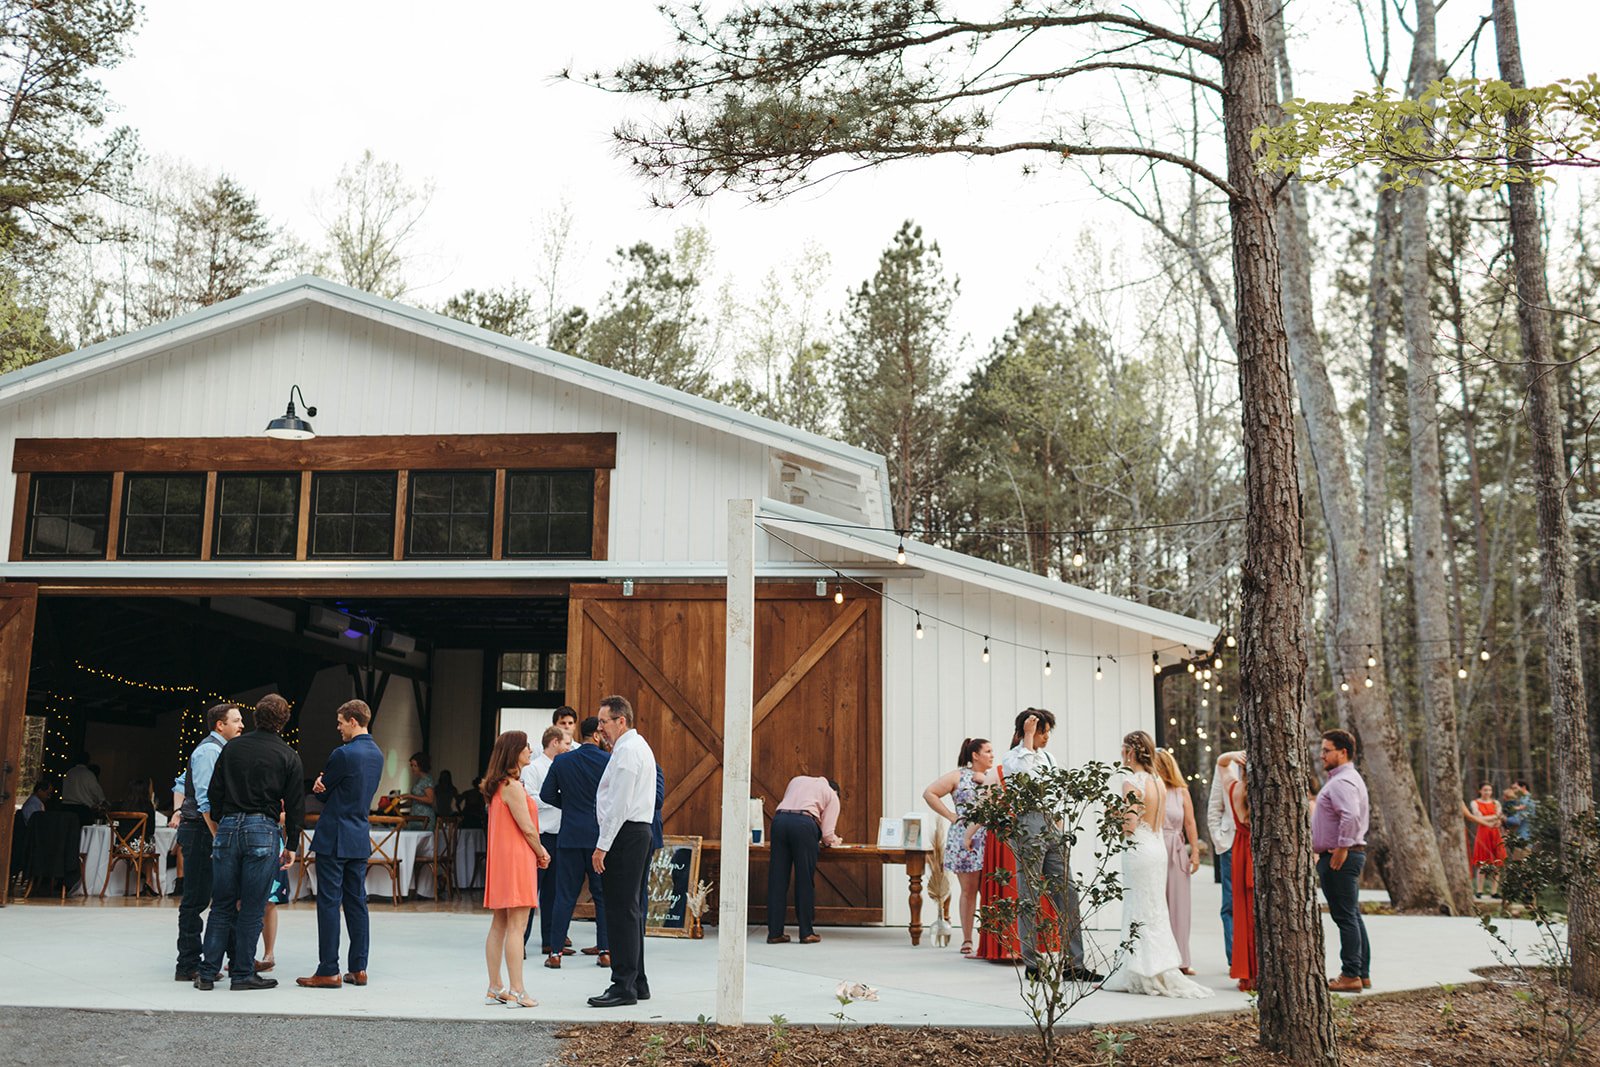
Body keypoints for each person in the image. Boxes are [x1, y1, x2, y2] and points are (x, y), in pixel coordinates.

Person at [193, 695, 304, 992]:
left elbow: (214, 792)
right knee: (253, 906)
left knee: (221, 905)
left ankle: (207, 973)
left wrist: (225, 817)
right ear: (283, 721)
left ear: (256, 717)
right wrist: (292, 844)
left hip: (229, 826)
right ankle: (242, 973)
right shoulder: (288, 755)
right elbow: (295, 805)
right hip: (263, 828)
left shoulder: (231, 748)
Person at [1100, 732, 1211, 998]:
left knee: (1138, 908)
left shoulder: (1132, 781)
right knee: (1155, 910)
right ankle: (1157, 967)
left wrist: (1113, 815)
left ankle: (1139, 969)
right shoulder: (1158, 781)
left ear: (1130, 751)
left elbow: (1130, 826)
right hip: (1157, 848)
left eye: (1123, 749)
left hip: (1139, 850)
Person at [999, 708, 1100, 982]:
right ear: (1027, 730)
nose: (1046, 737)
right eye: (1041, 732)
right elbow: (1025, 776)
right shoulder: (1012, 757)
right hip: (1028, 821)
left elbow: (1054, 790)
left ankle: (1074, 964)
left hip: (1051, 824)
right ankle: (1033, 964)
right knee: (1029, 895)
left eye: (1046, 732)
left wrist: (1058, 822)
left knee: (1068, 893)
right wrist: (1027, 738)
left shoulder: (1049, 757)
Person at [297, 699, 384, 989]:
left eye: (341, 722)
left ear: (353, 721)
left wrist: (319, 784)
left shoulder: (343, 754)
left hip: (334, 835)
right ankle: (359, 968)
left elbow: (323, 794)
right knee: (357, 902)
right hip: (358, 834)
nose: (338, 728)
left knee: (329, 903)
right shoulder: (377, 754)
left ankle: (328, 969)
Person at [588, 695, 658, 1008]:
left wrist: (602, 845)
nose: (600, 728)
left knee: (620, 911)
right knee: (630, 909)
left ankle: (623, 985)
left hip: (625, 834)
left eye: (604, 722)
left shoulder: (629, 751)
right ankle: (637, 981)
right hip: (634, 833)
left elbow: (619, 803)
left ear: (621, 721)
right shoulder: (634, 747)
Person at [171, 703, 246, 983]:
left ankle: (227, 960)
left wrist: (178, 809)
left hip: (203, 830)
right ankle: (187, 964)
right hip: (202, 831)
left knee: (221, 897)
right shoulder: (209, 751)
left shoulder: (216, 750)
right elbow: (204, 800)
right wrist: (218, 836)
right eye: (236, 720)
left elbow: (180, 782)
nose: (242, 725)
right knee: (196, 899)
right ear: (219, 725)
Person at [483, 730, 552, 1008]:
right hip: (517, 860)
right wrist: (541, 852)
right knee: (517, 925)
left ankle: (495, 986)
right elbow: (528, 829)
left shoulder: (498, 786)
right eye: (526, 746)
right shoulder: (512, 787)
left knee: (500, 923)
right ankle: (518, 990)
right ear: (514, 752)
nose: (530, 750)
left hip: (502, 860)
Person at [540, 715, 612, 968]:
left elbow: (546, 794)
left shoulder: (562, 761)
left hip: (569, 836)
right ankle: (605, 951)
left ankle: (555, 953)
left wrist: (569, 806)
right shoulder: (608, 761)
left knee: (564, 896)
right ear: (597, 735)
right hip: (598, 838)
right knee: (602, 895)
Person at [922, 738, 996, 956]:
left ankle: (989, 941)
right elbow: (929, 793)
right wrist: (951, 815)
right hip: (965, 837)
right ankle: (967, 939)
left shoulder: (992, 776)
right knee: (969, 890)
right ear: (975, 755)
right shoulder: (958, 776)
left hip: (990, 836)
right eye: (988, 751)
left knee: (990, 891)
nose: (992, 755)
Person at [1314, 729, 1371, 993]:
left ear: (1343, 752)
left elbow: (1350, 815)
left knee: (1345, 916)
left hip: (1341, 857)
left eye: (1327, 751)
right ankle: (1361, 973)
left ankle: (1350, 975)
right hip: (1343, 854)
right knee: (1351, 915)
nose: (1322, 755)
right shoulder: (1344, 778)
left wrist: (1341, 847)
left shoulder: (1342, 781)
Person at [768, 774, 843, 945]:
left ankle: (775, 933)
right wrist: (835, 841)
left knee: (777, 879)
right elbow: (827, 835)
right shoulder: (831, 795)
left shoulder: (796, 780)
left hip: (779, 821)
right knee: (804, 879)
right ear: (836, 792)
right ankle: (806, 933)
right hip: (804, 825)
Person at [522, 726, 570, 955]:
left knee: (553, 892)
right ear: (554, 742)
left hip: (560, 836)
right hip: (540, 836)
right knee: (532, 891)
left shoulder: (564, 767)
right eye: (566, 743)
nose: (569, 747)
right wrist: (556, 799)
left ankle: (549, 942)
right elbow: (529, 799)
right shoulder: (533, 769)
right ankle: (519, 941)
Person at [1152, 748, 1201, 974]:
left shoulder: (1181, 791)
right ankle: (1159, 958)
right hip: (1155, 847)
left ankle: (1182, 960)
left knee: (1179, 907)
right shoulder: (1152, 788)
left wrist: (1195, 852)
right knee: (1156, 904)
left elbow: (1190, 822)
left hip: (1176, 849)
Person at [1207, 749, 1243, 967]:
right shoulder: (1227, 764)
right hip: (1231, 842)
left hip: (1257, 845)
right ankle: (1234, 957)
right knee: (1230, 902)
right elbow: (1214, 807)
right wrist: (1220, 839)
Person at [1228, 761, 1258, 992]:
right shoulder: (1259, 792)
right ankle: (1257, 972)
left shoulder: (1233, 788)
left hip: (1239, 850)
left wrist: (1231, 756)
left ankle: (1248, 974)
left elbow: (1221, 765)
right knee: (1255, 916)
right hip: (1255, 850)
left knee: (1242, 913)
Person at [1464, 782, 1506, 898]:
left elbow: (1499, 817)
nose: (1487, 792)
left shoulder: (1496, 803)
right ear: (1480, 791)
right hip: (1483, 833)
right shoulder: (1475, 803)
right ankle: (1479, 890)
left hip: (1495, 833)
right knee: (1482, 863)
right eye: (1485, 790)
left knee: (1497, 863)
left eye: (1489, 790)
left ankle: (1494, 891)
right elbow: (1477, 817)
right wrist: (1494, 817)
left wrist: (1494, 818)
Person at [59, 753, 107, 824]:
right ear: (88, 761)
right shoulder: (88, 774)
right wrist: (101, 801)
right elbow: (96, 791)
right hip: (82, 810)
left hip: (66, 808)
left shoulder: (69, 772)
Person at [398, 752, 437, 829]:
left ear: (421, 766)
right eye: (411, 765)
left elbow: (430, 799)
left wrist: (411, 796)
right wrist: (400, 806)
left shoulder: (427, 780)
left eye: (415, 766)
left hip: (425, 818)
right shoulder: (419, 780)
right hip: (415, 817)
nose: (412, 768)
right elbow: (413, 802)